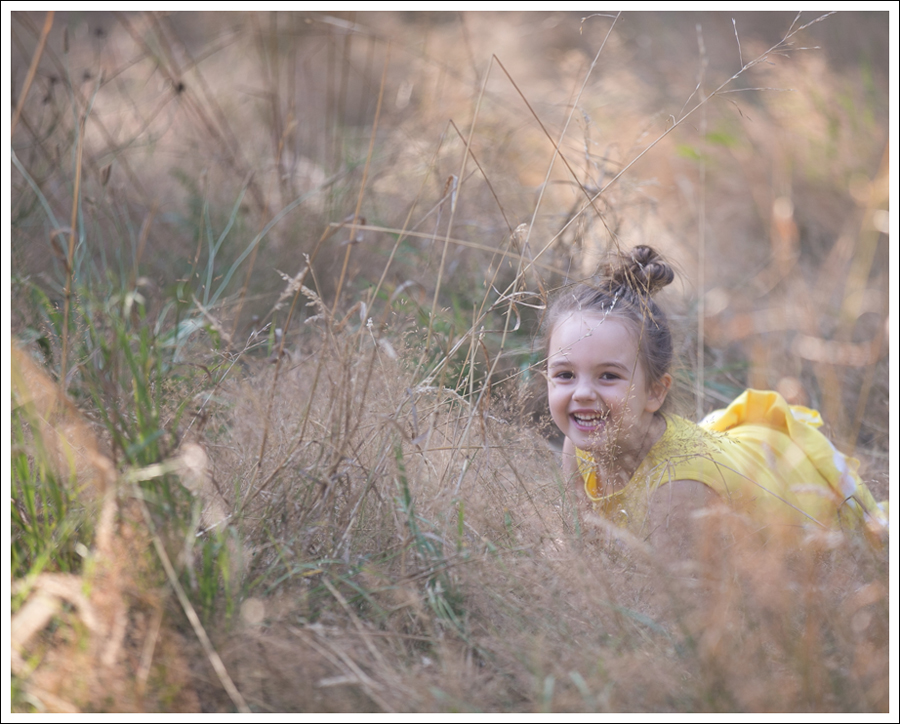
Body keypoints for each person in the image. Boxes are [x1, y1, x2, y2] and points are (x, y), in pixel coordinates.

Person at [543, 245, 887, 550]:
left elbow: (672, 604)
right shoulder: (580, 444)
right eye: (565, 375)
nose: (583, 393)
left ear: (655, 392)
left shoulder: (677, 490)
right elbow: (577, 546)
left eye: (608, 376)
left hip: (787, 485)